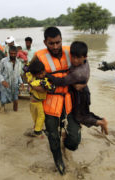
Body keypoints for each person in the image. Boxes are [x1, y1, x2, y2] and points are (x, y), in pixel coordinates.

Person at [33, 27, 78, 175]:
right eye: (51, 43)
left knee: (74, 140)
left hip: (70, 100)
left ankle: (68, 140)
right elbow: (27, 75)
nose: (55, 47)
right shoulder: (38, 56)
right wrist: (35, 87)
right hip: (50, 101)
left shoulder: (70, 51)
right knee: (53, 135)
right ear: (45, 42)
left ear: (61, 40)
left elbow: (84, 66)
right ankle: (58, 160)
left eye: (58, 42)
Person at [46, 41, 109, 130]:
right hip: (84, 90)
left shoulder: (78, 73)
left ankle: (100, 122)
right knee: (85, 112)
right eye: (73, 57)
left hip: (81, 94)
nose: (75, 60)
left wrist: (46, 74)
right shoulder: (85, 62)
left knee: (79, 116)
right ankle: (101, 120)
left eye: (78, 58)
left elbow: (61, 82)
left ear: (85, 57)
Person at [24, 59, 53, 137]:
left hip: (33, 102)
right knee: (41, 116)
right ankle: (37, 131)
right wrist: (47, 86)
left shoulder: (31, 77)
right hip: (36, 102)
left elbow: (26, 68)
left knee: (36, 117)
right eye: (40, 74)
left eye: (43, 72)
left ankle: (36, 128)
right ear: (34, 75)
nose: (42, 75)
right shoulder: (36, 81)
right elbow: (41, 87)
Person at [0, 46, 24, 112]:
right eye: (11, 53)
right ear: (9, 53)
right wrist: (2, 81)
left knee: (16, 100)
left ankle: (15, 114)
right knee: (3, 100)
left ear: (17, 53)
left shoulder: (18, 62)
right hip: (6, 84)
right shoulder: (3, 61)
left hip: (15, 85)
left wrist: (21, 82)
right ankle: (2, 109)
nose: (13, 55)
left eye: (14, 53)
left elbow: (18, 74)